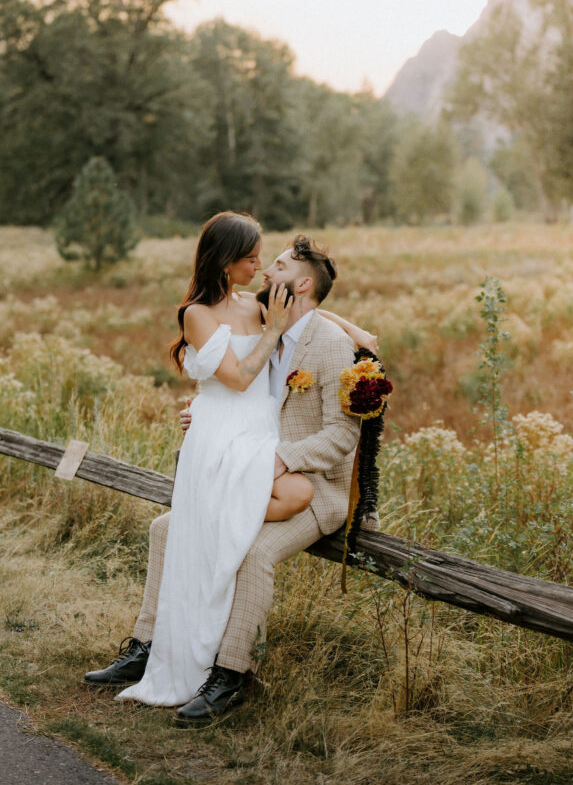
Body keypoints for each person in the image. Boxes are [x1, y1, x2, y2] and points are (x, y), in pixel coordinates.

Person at [85, 214, 376, 721]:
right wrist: (205, 411)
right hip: (252, 469)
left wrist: (281, 458)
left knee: (252, 553)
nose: (265, 270)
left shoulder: (329, 346)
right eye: (260, 259)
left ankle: (230, 675)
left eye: (278, 264)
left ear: (302, 284)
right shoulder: (269, 320)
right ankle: (148, 647)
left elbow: (342, 437)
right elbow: (238, 380)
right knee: (164, 529)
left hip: (312, 487)